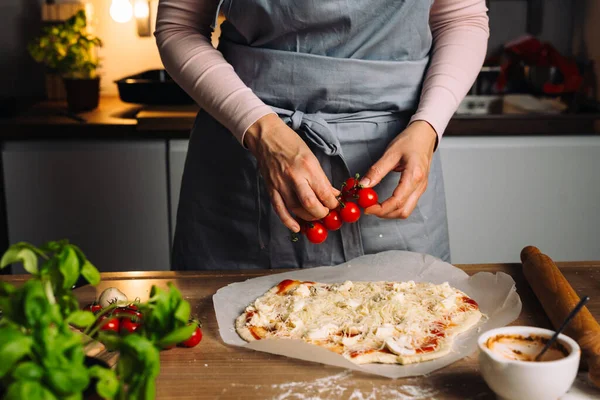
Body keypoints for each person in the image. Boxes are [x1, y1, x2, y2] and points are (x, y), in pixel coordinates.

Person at [155, 0, 489, 270]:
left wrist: (428, 125)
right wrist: (260, 129)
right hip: (249, 154)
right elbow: (179, 25)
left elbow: (461, 18)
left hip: (394, 160)